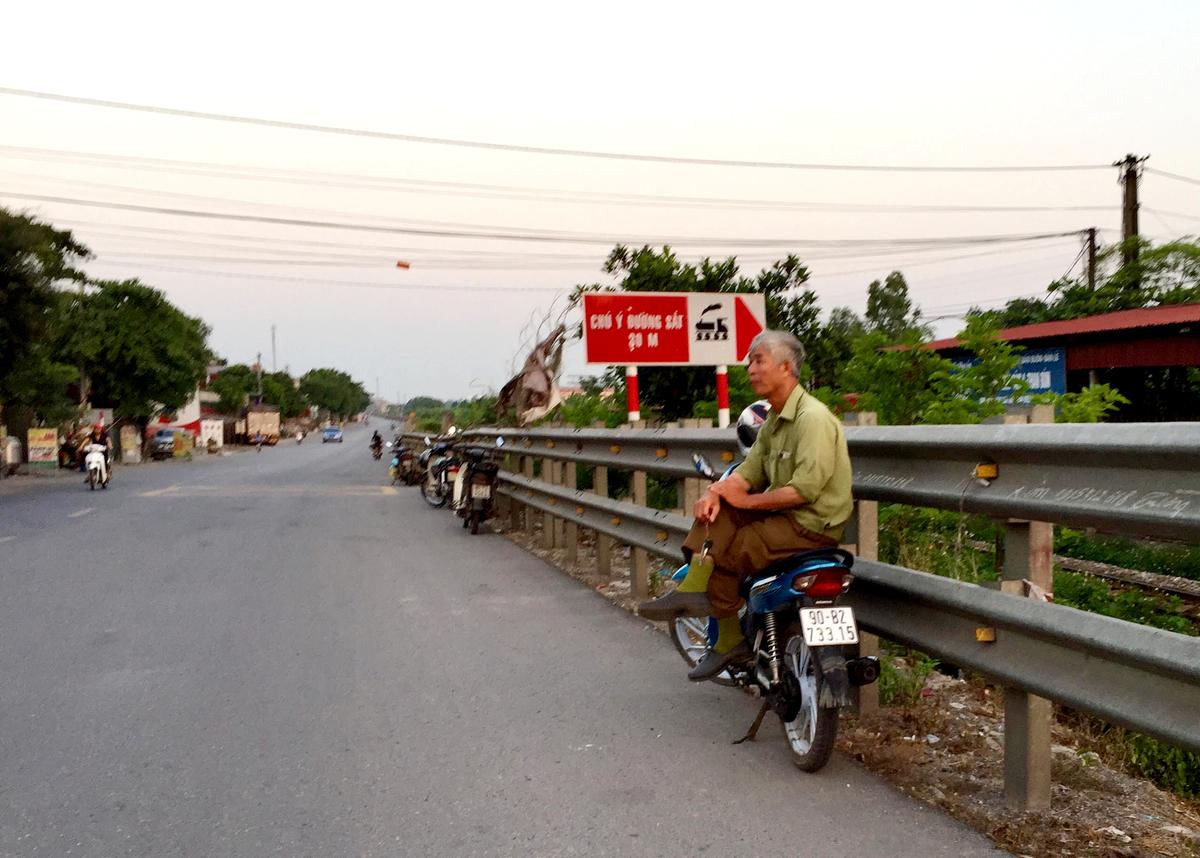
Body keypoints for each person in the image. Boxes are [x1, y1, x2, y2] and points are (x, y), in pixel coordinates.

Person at [638, 330, 854, 681]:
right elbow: (749, 472)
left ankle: (725, 636)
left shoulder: (812, 418)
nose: (751, 369)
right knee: (720, 510)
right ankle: (696, 591)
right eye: (749, 362)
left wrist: (747, 500)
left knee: (725, 550)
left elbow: (806, 489)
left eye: (758, 361)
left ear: (786, 367)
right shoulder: (774, 421)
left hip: (811, 525)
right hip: (785, 518)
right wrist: (716, 492)